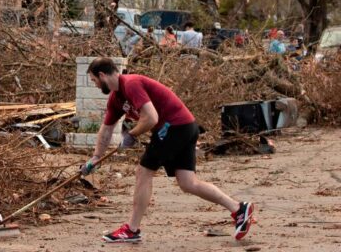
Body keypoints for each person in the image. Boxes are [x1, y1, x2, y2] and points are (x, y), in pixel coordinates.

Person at [80, 58, 254, 243]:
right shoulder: (116, 98)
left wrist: (132, 134)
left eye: (94, 80)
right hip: (183, 126)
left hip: (175, 127)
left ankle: (132, 229)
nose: (95, 85)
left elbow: (151, 118)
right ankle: (238, 208)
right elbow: (106, 128)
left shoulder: (131, 84)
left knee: (143, 171)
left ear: (102, 75)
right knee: (188, 182)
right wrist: (96, 157)